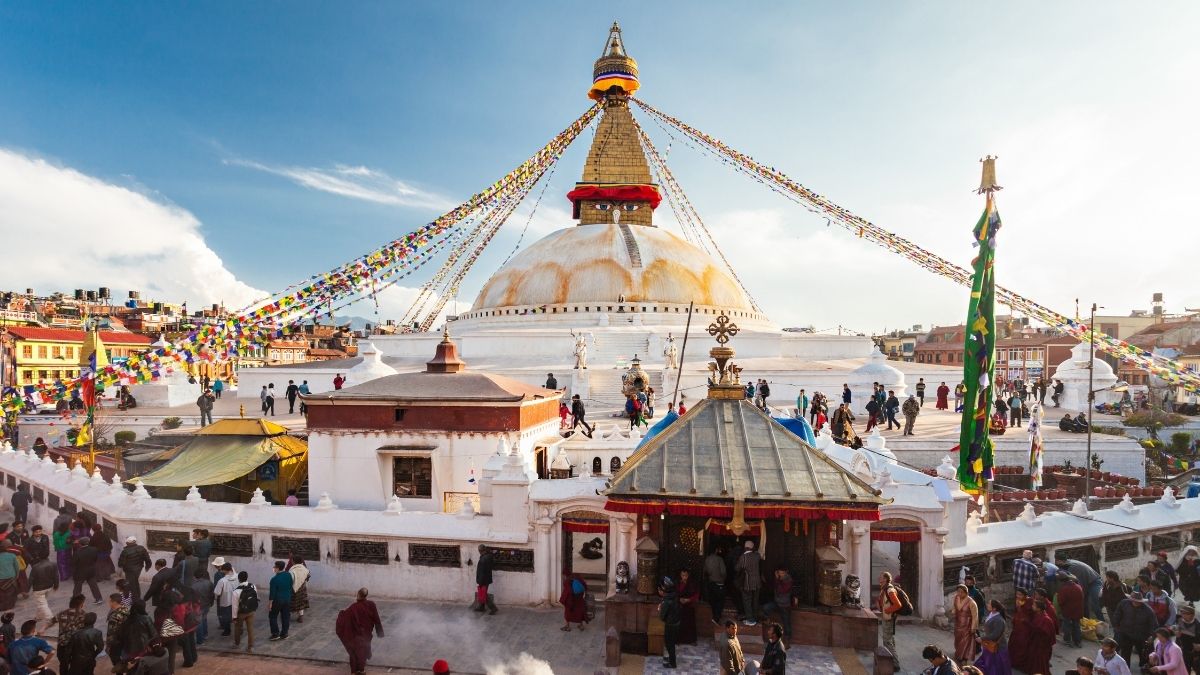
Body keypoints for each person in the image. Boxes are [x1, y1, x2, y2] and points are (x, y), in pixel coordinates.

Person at [336, 587, 383, 675]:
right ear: (366, 596)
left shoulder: (354, 607)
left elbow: (344, 617)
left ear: (358, 595)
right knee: (363, 650)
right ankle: (361, 670)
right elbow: (377, 618)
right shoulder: (371, 604)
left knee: (354, 651)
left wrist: (341, 613)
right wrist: (380, 632)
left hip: (356, 635)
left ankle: (354, 671)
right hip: (366, 633)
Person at [1113, 591, 1158, 669]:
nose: (1136, 603)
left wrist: (1152, 636)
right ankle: (1126, 669)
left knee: (1142, 653)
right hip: (1125, 633)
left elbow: (1154, 625)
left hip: (1141, 635)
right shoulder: (1124, 603)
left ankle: (1144, 665)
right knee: (1125, 653)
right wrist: (1116, 626)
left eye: (1138, 601)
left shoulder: (1148, 611)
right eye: (1134, 601)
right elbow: (1117, 614)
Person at [1057, 553, 1103, 620]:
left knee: (1095, 604)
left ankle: (1102, 621)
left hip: (1094, 582)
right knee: (1084, 603)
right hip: (1087, 582)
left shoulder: (1073, 568)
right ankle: (1086, 620)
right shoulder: (1067, 563)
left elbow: (1080, 583)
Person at [52, 594, 88, 670]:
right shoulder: (83, 614)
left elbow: (52, 621)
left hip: (63, 643)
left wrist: (42, 628)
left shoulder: (62, 613)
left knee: (63, 664)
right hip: (76, 644)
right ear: (81, 604)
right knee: (75, 665)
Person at [974, 600, 1011, 675]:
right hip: (989, 643)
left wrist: (982, 638)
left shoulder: (999, 620)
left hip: (998, 646)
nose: (987, 605)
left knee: (996, 665)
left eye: (989, 604)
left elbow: (995, 635)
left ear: (994, 608)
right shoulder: (991, 614)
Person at [877, 572, 902, 669]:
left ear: (886, 579)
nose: (879, 579)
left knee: (887, 641)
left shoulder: (890, 590)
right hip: (887, 617)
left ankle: (895, 664)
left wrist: (887, 611)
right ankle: (891, 660)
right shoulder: (884, 589)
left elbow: (898, 605)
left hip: (889, 618)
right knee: (889, 640)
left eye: (881, 577)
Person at [1026, 598, 1057, 675]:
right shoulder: (1037, 615)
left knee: (1041, 664)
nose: (1032, 606)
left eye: (1034, 605)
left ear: (1039, 609)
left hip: (1042, 646)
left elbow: (1046, 633)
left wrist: (1031, 626)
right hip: (1036, 643)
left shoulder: (1046, 619)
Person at [735, 541, 762, 627]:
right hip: (757, 583)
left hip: (747, 583)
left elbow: (737, 568)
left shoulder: (743, 557)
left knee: (747, 601)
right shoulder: (757, 556)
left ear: (745, 547)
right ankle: (755, 618)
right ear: (753, 548)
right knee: (755, 601)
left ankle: (750, 620)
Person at [761, 567, 793, 638]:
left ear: (786, 572)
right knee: (765, 608)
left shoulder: (788, 580)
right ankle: (767, 621)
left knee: (786, 623)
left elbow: (781, 590)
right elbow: (773, 587)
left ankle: (787, 640)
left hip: (785, 605)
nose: (780, 574)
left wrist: (777, 579)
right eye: (779, 573)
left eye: (782, 573)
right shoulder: (778, 579)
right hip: (777, 603)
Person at [69, 537, 102, 605]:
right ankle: (98, 598)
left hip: (80, 572)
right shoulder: (94, 549)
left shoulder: (77, 552)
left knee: (78, 587)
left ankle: (76, 600)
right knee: (93, 585)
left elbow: (73, 563)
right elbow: (95, 559)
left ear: (80, 544)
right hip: (91, 570)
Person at [29, 555, 57, 634]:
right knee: (41, 602)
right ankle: (39, 616)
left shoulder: (35, 567)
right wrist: (56, 585)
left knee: (42, 604)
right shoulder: (53, 564)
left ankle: (50, 618)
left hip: (39, 589)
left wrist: (26, 589)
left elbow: (31, 579)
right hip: (49, 586)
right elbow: (56, 575)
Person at [951, 584, 979, 663]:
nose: (959, 594)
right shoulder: (956, 598)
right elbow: (955, 607)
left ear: (965, 592)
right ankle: (958, 653)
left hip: (967, 624)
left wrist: (973, 627)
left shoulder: (971, 602)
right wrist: (954, 611)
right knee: (958, 639)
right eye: (958, 592)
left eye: (961, 592)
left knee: (965, 641)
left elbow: (975, 616)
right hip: (958, 623)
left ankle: (963, 657)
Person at [118, 537, 152, 601]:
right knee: (135, 582)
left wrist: (120, 565)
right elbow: (147, 558)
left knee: (131, 584)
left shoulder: (125, 551)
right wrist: (148, 566)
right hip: (139, 568)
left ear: (127, 543)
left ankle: (135, 599)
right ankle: (137, 596)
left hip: (129, 570)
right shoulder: (141, 548)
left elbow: (121, 563)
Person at [657, 577, 680, 669]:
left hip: (670, 624)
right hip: (676, 622)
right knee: (671, 643)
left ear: (663, 590)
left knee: (669, 644)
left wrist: (660, 609)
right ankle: (670, 659)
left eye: (659, 589)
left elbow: (662, 617)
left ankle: (672, 663)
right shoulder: (673, 595)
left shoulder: (666, 601)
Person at [231, 571, 257, 652]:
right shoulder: (253, 586)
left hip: (241, 613)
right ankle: (251, 647)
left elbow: (235, 606)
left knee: (238, 628)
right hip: (251, 611)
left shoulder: (236, 591)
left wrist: (234, 617)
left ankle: (237, 644)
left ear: (239, 579)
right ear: (247, 577)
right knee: (250, 629)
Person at [1059, 574, 1086, 648]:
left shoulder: (1064, 589)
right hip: (1078, 610)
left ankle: (1067, 640)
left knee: (1067, 625)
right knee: (1077, 626)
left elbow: (1061, 601)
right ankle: (1078, 641)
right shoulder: (1078, 586)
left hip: (1068, 611)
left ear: (1062, 581)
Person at [267, 560, 292, 641]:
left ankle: (275, 634)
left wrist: (270, 603)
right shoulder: (288, 575)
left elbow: (272, 593)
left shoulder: (274, 579)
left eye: (274, 567)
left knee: (273, 616)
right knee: (285, 616)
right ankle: (284, 633)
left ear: (277, 568)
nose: (274, 568)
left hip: (277, 600)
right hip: (287, 599)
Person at [1172, 603, 1199, 675]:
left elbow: (1197, 641)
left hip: (1191, 650)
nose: (1183, 615)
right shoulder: (1179, 619)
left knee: (1190, 667)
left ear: (1192, 615)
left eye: (1186, 613)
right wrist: (1175, 631)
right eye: (1182, 613)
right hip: (1179, 647)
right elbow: (1174, 627)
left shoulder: (1197, 625)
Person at [704, 546, 727, 627]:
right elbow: (723, 572)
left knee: (713, 601)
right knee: (720, 602)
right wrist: (723, 579)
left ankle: (714, 617)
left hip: (711, 583)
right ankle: (716, 618)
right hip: (719, 583)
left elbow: (705, 571)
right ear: (716, 550)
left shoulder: (707, 559)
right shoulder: (719, 559)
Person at [105, 593, 129, 669]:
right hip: (125, 640)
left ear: (114, 602)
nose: (108, 603)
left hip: (116, 642)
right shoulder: (126, 609)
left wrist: (108, 646)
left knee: (116, 660)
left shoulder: (114, 617)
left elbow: (111, 633)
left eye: (110, 601)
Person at [189, 568, 213, 646]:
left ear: (195, 576)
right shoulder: (209, 583)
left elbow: (191, 598)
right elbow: (212, 595)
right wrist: (211, 602)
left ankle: (200, 640)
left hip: (198, 606)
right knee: (204, 618)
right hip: (207, 604)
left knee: (199, 622)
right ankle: (205, 634)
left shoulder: (193, 586)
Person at [212, 563, 237, 637]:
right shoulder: (237, 576)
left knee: (226, 616)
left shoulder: (222, 581)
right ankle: (239, 629)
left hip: (225, 600)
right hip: (235, 599)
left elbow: (217, 592)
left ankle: (227, 631)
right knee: (235, 615)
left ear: (225, 570)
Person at [676, 569, 700, 644]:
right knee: (680, 623)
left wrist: (689, 600)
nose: (684, 577)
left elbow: (696, 594)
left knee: (690, 624)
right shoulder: (678, 583)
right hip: (680, 606)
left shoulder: (692, 584)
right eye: (683, 575)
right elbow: (674, 593)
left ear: (688, 575)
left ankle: (691, 640)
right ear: (680, 576)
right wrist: (679, 599)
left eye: (685, 575)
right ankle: (679, 640)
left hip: (689, 606)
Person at [285, 557, 310, 625]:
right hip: (302, 588)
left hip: (293, 588)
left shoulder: (292, 570)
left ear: (293, 561)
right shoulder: (305, 569)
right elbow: (308, 576)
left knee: (290, 602)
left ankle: (287, 615)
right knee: (301, 602)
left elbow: (290, 580)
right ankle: (301, 616)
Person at [0, 543, 19, 610]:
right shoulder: (12, 555)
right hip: (11, 578)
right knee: (10, 593)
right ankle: (10, 606)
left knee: (1, 594)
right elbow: (16, 567)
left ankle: (2, 607)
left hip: (0, 579)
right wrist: (17, 575)